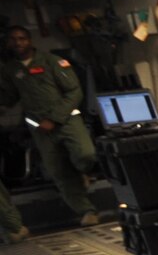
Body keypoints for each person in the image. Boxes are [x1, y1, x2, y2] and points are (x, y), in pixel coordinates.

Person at [0, 25, 99, 225]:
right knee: (59, 172)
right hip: (40, 128)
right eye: (13, 39)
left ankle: (84, 171)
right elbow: (9, 97)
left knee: (85, 155)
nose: (17, 43)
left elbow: (74, 92)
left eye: (21, 38)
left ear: (30, 41)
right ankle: (87, 211)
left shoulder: (52, 62)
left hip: (67, 121)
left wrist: (54, 119)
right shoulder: (10, 70)